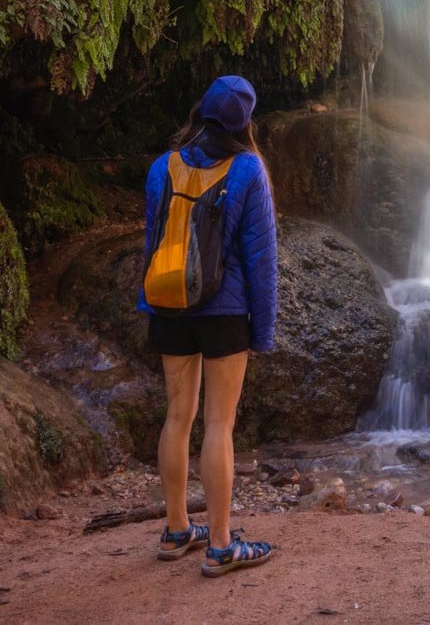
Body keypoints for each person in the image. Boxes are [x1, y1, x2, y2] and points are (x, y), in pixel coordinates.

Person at [138, 74, 278, 577]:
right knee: (219, 424)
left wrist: (149, 303)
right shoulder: (248, 170)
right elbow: (261, 261)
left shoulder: (162, 167)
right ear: (244, 124)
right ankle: (221, 544)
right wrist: (261, 331)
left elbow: (156, 241)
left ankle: (177, 530)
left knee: (178, 416)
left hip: (170, 304)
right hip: (224, 314)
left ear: (201, 110)